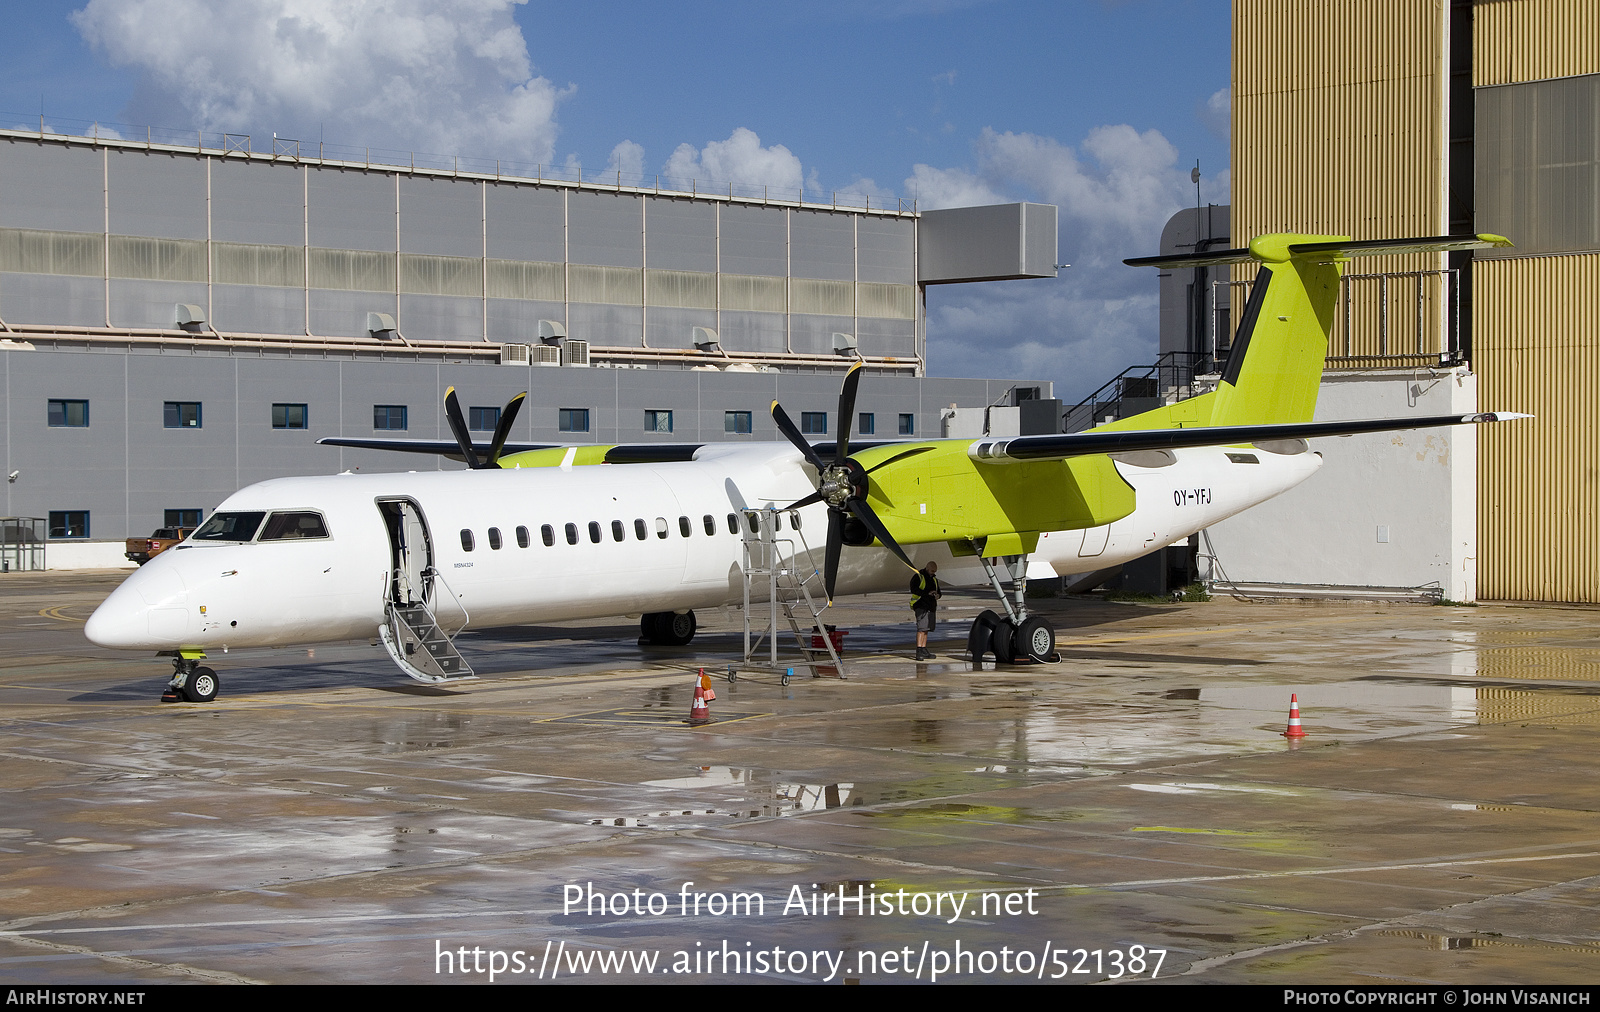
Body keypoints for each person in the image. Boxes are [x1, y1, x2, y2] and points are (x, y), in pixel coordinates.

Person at [910, 561, 940, 660]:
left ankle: (924, 648)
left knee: (926, 629)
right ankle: (919, 650)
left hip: (930, 606)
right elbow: (914, 590)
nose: (933, 573)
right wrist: (927, 593)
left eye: (934, 571)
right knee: (921, 628)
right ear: (927, 568)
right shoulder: (919, 577)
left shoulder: (934, 579)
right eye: (932, 571)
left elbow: (939, 591)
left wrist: (937, 595)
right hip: (921, 605)